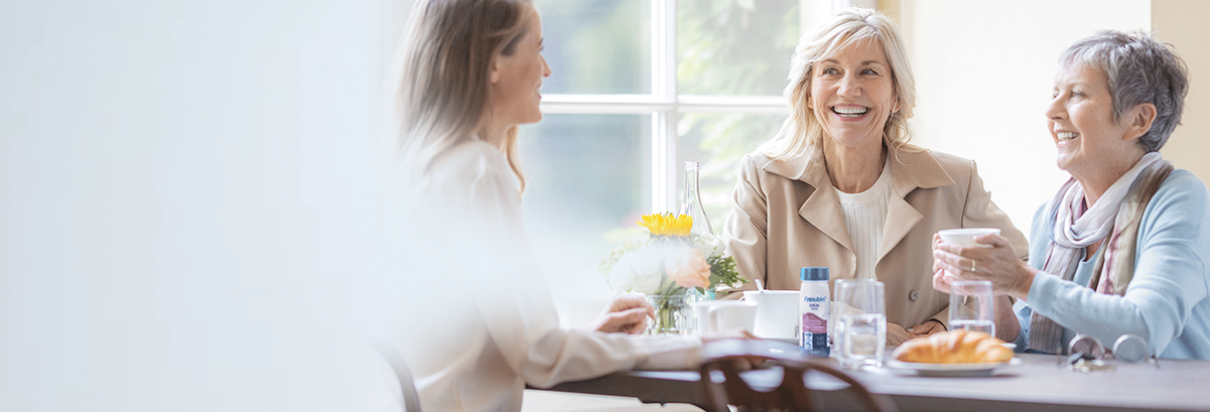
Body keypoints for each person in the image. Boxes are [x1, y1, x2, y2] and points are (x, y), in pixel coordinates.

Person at [382, 1, 729, 411]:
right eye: (538, 49)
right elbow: (539, 355)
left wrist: (591, 338)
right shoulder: (476, 170)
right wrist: (694, 349)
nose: (547, 69)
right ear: (494, 63)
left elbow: (500, 348)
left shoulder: (427, 167)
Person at [721, 7, 1027, 345]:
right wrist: (850, 322)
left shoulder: (955, 180)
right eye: (831, 71)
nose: (848, 89)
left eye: (868, 72)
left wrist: (951, 323)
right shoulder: (763, 179)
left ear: (896, 95)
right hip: (800, 392)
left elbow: (1023, 273)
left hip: (916, 389)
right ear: (809, 93)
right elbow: (734, 300)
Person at [932, 31, 1210, 359]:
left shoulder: (1180, 199)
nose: (1051, 111)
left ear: (1138, 120)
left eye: (1076, 94)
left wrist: (1020, 278)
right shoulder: (1053, 215)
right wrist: (991, 289)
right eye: (1054, 94)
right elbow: (1025, 340)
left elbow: (1143, 329)